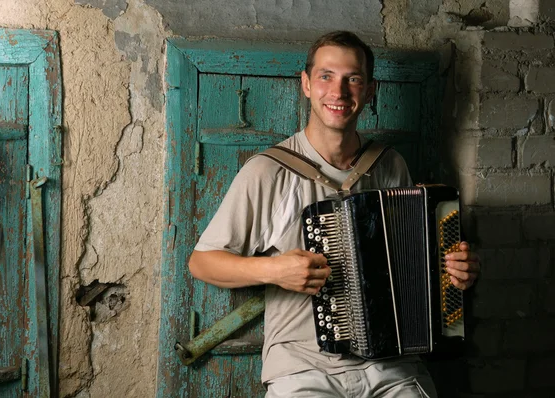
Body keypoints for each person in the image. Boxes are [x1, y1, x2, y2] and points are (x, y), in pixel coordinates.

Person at [189, 30, 480, 397]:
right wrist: (273, 270)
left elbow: (415, 266)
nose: (339, 92)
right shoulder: (268, 172)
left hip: (392, 364)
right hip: (303, 368)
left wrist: (455, 271)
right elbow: (201, 263)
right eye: (326, 76)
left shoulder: (390, 165)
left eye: (353, 79)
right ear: (306, 84)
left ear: (370, 90)